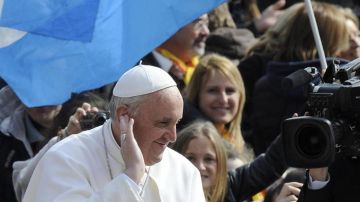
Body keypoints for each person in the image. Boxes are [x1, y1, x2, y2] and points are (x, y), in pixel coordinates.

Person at [23, 64, 205, 201]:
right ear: (124, 115)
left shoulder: (185, 172)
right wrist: (131, 176)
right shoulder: (65, 160)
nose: (173, 136)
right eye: (163, 123)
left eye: (176, 123)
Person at [239, 2, 353, 155]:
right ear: (331, 41)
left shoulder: (260, 73)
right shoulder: (340, 82)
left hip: (262, 167)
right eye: (343, 38)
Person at [12, 92, 108, 201]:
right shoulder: (57, 151)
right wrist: (65, 137)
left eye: (99, 121)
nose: (91, 130)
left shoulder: (116, 153)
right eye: (86, 122)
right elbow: (22, 182)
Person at [172, 120, 287, 202]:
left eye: (209, 159)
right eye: (190, 158)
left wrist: (291, 133)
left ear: (221, 164)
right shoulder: (162, 192)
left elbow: (270, 164)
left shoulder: (229, 187)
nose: (200, 166)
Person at [179, 53, 253, 162]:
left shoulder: (233, 138)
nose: (223, 99)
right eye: (213, 91)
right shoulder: (189, 142)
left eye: (230, 91)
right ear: (196, 94)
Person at [0, 85, 62, 202]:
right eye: (34, 94)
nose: (43, 102)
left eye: (52, 92)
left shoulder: (83, 128)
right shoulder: (6, 137)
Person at [141, 14, 210, 92]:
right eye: (199, 24)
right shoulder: (140, 74)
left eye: (207, 23)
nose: (206, 32)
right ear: (171, 27)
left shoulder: (208, 68)